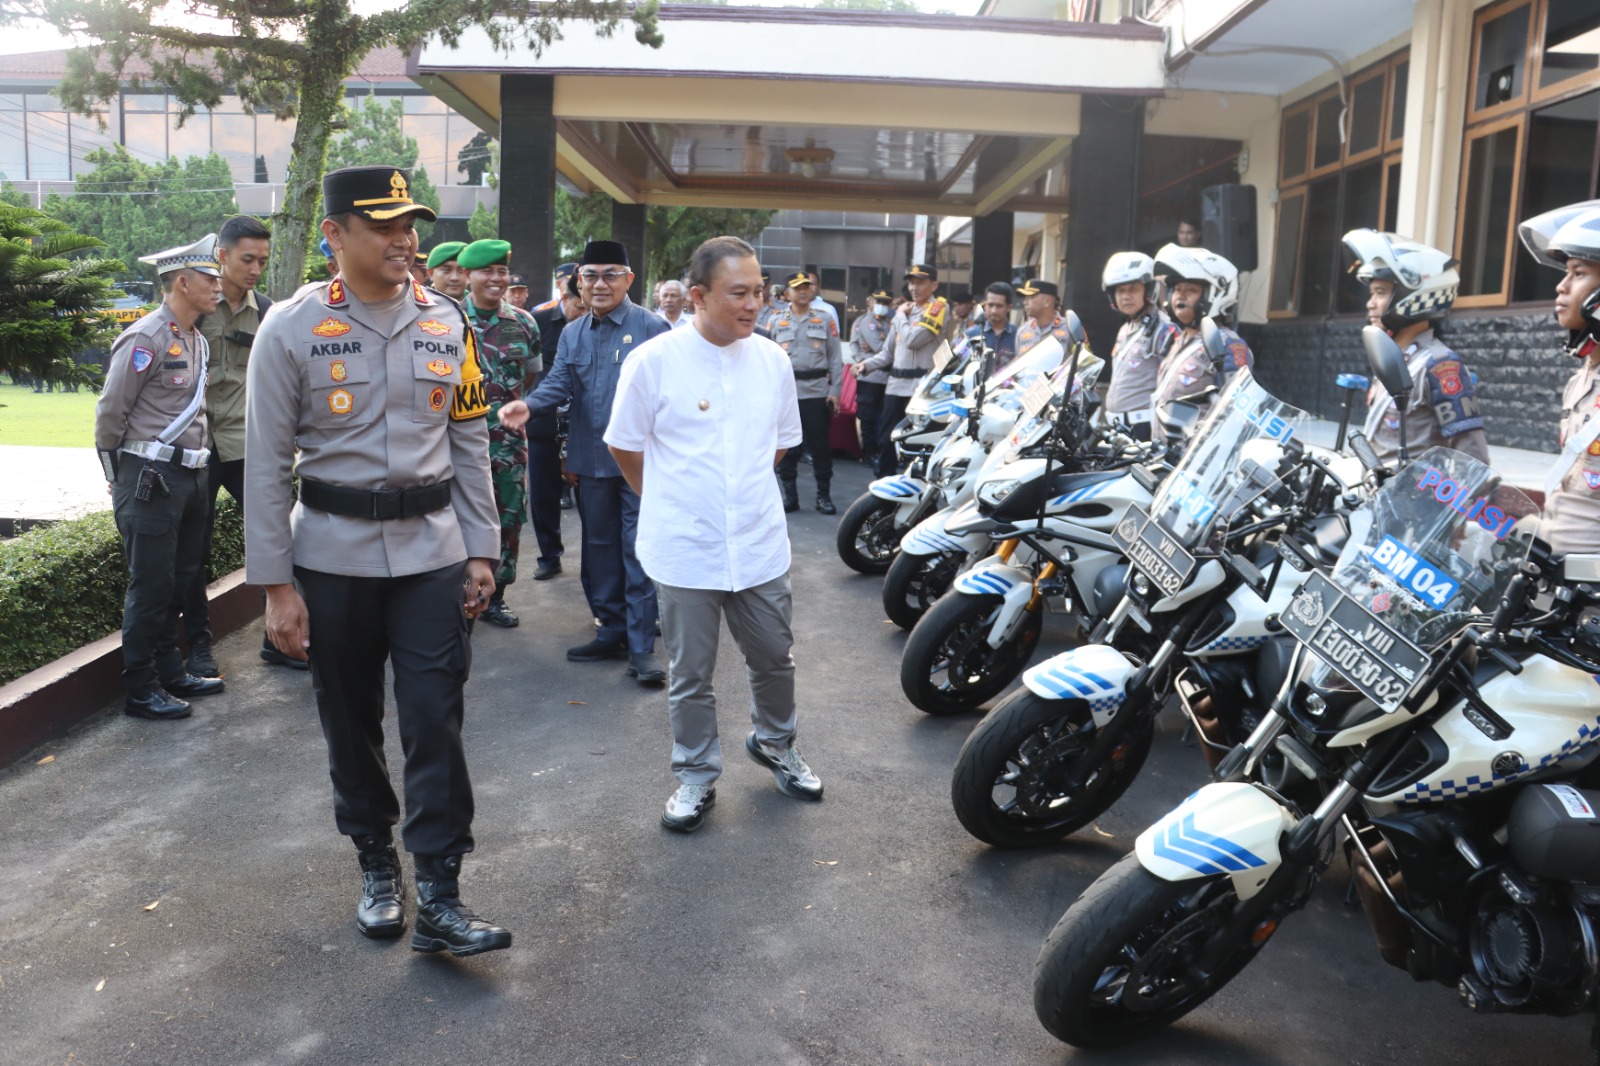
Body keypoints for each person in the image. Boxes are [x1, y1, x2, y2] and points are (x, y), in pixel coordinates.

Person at [244, 165, 510, 956]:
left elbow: (469, 441)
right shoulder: (290, 328)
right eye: (386, 225)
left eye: (411, 224)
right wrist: (276, 588)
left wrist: (483, 549)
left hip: (432, 552)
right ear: (335, 235)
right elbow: (264, 466)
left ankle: (440, 892)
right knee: (350, 721)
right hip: (332, 555)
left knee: (436, 719)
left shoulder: (446, 321)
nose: (406, 239)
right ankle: (374, 863)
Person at [605, 235, 822, 834]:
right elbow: (623, 444)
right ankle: (696, 774)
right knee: (691, 673)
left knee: (775, 658)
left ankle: (776, 743)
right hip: (684, 546)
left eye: (759, 291)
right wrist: (668, 499)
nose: (754, 304)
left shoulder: (773, 361)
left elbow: (779, 444)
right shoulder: (653, 361)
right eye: (739, 293)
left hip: (757, 543)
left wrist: (737, 496)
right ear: (698, 296)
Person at [498, 241, 670, 685]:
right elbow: (558, 383)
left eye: (611, 274)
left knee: (637, 551)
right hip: (590, 459)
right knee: (598, 550)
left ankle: (641, 649)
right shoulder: (574, 332)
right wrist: (529, 407)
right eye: (590, 275)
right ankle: (610, 629)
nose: (599, 284)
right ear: (579, 282)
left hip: (640, 466)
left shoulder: (652, 327)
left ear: (629, 280)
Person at [93, 234, 227, 721]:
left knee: (179, 581)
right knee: (150, 587)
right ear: (182, 282)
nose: (219, 286)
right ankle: (141, 688)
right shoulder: (146, 338)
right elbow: (110, 415)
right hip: (150, 477)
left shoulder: (194, 338)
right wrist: (118, 476)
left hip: (188, 477)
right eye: (211, 279)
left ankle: (171, 671)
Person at [181, 215, 300, 676]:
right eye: (247, 259)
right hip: (196, 448)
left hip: (249, 445)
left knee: (284, 537)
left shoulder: (268, 311)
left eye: (262, 261)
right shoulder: (194, 307)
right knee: (193, 553)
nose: (255, 269)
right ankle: (199, 648)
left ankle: (281, 640)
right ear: (222, 256)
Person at [1341, 229, 1489, 465]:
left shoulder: (1440, 365)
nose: (1370, 304)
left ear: (1413, 296)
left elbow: (1473, 459)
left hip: (1413, 498)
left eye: (1380, 293)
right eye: (1372, 294)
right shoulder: (1395, 357)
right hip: (1378, 496)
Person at [460, 238, 542, 628]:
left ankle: (497, 597)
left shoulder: (524, 323)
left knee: (508, 519)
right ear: (468, 276)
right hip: (458, 442)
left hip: (508, 443)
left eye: (502, 271)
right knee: (459, 515)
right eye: (487, 271)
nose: (496, 279)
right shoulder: (448, 319)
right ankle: (458, 592)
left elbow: (530, 374)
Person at [1518, 200, 1600, 555]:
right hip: (1554, 572)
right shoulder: (1580, 380)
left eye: (1578, 273)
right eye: (1565, 273)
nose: (1561, 287)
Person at [857, 263, 954, 477]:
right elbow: (887, 354)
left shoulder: (937, 308)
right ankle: (883, 492)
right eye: (911, 283)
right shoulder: (905, 311)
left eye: (921, 282)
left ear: (934, 284)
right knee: (886, 440)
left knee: (918, 445)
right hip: (895, 386)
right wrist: (866, 366)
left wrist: (899, 315)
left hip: (922, 388)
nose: (914, 287)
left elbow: (912, 340)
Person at [1150, 243, 1252, 430]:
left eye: (1191, 290)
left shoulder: (1227, 343)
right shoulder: (1176, 340)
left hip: (1196, 455)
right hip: (1164, 453)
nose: (1180, 296)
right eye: (1177, 289)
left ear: (1217, 294)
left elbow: (1237, 412)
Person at [769, 271, 843, 514]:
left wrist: (835, 391)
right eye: (797, 288)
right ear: (787, 293)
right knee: (787, 447)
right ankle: (790, 495)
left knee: (820, 446)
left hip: (816, 391)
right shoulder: (776, 320)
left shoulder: (824, 319)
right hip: (786, 393)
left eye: (806, 287)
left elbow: (835, 359)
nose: (803, 291)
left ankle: (824, 495)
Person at [527, 265, 581, 579]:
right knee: (544, 495)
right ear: (564, 297)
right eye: (579, 306)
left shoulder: (595, 323)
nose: (584, 312)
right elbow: (530, 370)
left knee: (588, 498)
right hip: (544, 423)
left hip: (582, 426)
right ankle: (549, 555)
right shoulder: (538, 322)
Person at [1100, 251, 1179, 442]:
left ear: (1148, 291)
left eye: (1133, 289)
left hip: (1144, 429)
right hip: (1119, 427)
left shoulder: (1164, 330)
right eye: (1120, 291)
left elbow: (1174, 389)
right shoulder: (1126, 328)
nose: (1126, 296)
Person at [850, 288, 894, 466]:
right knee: (868, 418)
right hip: (870, 377)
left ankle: (879, 452)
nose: (882, 306)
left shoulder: (891, 323)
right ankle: (869, 453)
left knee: (884, 418)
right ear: (872, 302)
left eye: (885, 303)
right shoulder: (866, 322)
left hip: (887, 378)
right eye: (879, 302)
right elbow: (882, 349)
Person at [1014, 278, 1072, 356]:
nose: (1025, 302)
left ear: (1047, 301)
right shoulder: (1022, 331)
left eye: (1030, 297)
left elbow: (1083, 362)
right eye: (1025, 298)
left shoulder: (1070, 329)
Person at [968, 281, 1017, 366]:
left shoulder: (1018, 335)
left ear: (1009, 307)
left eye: (999, 306)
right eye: (990, 305)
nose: (994, 311)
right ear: (985, 305)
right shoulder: (971, 334)